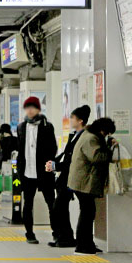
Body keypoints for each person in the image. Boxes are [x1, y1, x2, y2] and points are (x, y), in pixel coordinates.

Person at [68, 117, 117, 256]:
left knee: (88, 212)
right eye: (106, 133)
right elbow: (97, 158)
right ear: (102, 130)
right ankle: (82, 245)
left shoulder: (88, 134)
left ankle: (86, 243)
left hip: (82, 182)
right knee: (87, 213)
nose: (106, 136)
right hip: (84, 182)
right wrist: (110, 149)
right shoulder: (91, 139)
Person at [46, 105, 90, 248]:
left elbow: (74, 161)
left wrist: (55, 166)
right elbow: (67, 156)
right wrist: (55, 163)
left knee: (59, 208)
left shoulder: (84, 137)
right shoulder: (74, 135)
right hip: (66, 177)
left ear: (81, 120)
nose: (70, 120)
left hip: (73, 178)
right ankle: (64, 237)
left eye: (72, 118)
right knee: (60, 208)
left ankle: (69, 238)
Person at [16, 96, 57, 244]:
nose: (30, 110)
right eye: (27, 107)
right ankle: (29, 233)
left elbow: (53, 148)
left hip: (44, 171)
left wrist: (49, 164)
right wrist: (20, 170)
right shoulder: (21, 127)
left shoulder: (47, 126)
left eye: (33, 107)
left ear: (38, 109)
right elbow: (21, 149)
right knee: (28, 204)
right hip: (27, 171)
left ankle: (56, 232)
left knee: (51, 202)